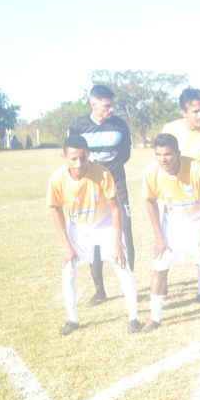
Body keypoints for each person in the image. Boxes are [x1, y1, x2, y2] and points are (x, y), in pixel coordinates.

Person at [47, 135, 141, 335]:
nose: (79, 163)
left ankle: (134, 317)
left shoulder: (102, 173)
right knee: (69, 270)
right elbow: (56, 210)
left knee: (122, 266)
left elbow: (116, 210)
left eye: (83, 158)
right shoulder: (57, 178)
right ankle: (72, 319)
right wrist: (67, 246)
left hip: (105, 225)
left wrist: (117, 244)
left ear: (88, 154)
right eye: (73, 159)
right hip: (78, 228)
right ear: (64, 156)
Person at [140, 133, 200, 333]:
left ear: (177, 154)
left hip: (198, 223)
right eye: (158, 154)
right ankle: (154, 318)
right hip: (172, 224)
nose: (163, 159)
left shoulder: (196, 168)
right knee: (159, 268)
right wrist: (159, 236)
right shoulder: (152, 171)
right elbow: (149, 201)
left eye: (168, 154)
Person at [68, 84, 135, 306]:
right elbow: (74, 157)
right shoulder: (77, 127)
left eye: (112, 105)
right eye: (106, 106)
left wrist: (109, 172)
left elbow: (124, 154)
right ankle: (100, 291)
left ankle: (130, 286)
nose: (111, 110)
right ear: (93, 104)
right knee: (93, 238)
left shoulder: (120, 126)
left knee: (125, 231)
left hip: (117, 185)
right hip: (90, 190)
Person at [161, 87, 200, 305]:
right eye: (195, 111)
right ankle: (162, 287)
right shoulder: (170, 129)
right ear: (183, 111)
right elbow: (161, 161)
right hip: (172, 198)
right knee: (166, 244)